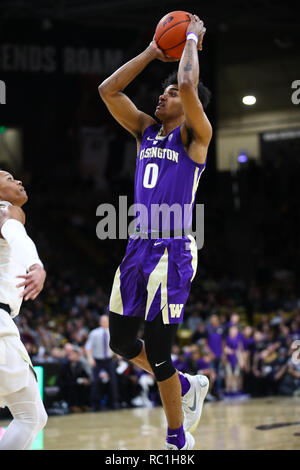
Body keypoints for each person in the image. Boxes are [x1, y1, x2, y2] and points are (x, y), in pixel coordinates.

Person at [99, 14, 211, 450]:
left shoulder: (195, 135)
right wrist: (151, 50)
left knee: (158, 350)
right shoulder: (147, 132)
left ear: (190, 105)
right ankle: (186, 386)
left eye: (168, 93)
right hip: (138, 245)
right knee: (121, 342)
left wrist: (190, 40)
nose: (161, 97)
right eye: (161, 92)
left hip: (174, 247)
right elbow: (108, 91)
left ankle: (177, 439)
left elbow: (186, 87)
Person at [0, 170, 47, 450]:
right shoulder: (7, 209)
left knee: (32, 416)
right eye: (7, 179)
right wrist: (36, 264)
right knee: (31, 417)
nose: (18, 181)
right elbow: (14, 232)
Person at [85, 314, 119, 410]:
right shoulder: (94, 333)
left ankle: (114, 403)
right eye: (103, 321)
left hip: (109, 360)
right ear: (100, 322)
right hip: (97, 360)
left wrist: (118, 355)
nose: (104, 322)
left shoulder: (113, 332)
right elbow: (88, 347)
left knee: (113, 382)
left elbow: (116, 345)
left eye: (106, 320)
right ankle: (95, 404)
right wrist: (90, 359)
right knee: (96, 382)